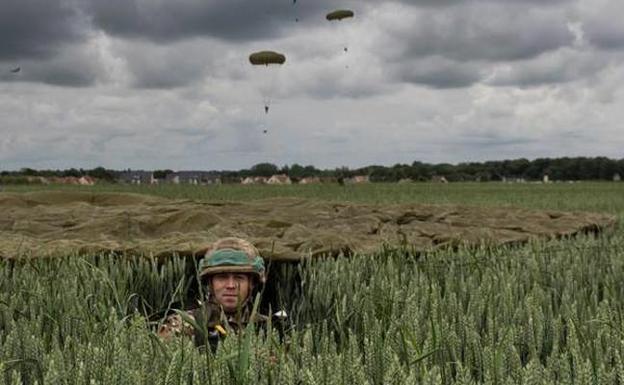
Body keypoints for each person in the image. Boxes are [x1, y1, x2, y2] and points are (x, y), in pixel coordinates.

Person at [157, 237, 269, 348]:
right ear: (210, 283)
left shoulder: (269, 328)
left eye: (239, 278)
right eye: (222, 277)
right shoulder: (184, 324)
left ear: (251, 284)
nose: (231, 285)